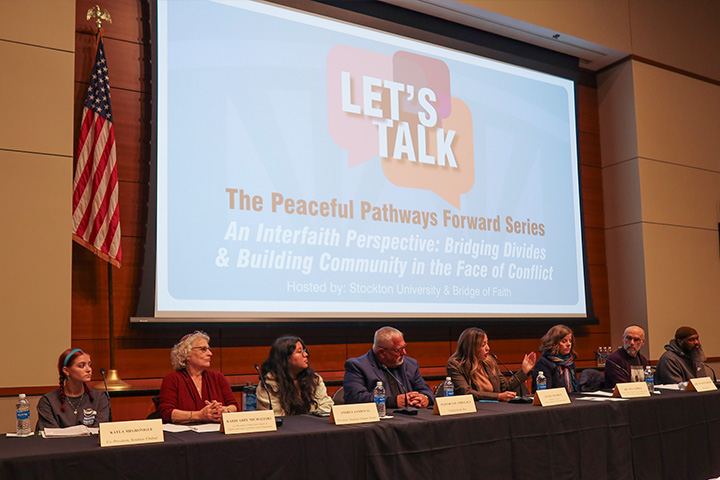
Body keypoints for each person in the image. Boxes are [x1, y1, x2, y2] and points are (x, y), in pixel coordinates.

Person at [343, 326, 434, 408]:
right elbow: (355, 398)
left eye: (404, 347)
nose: (404, 353)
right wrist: (392, 401)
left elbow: (427, 391)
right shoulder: (357, 366)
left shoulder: (411, 364)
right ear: (382, 353)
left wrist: (424, 398)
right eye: (398, 350)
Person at [158, 331, 238, 423]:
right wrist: (199, 415)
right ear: (187, 354)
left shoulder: (218, 377)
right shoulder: (172, 379)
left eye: (209, 349)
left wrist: (221, 410)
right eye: (203, 349)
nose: (210, 353)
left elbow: (234, 406)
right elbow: (166, 413)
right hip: (185, 435)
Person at [446, 327, 537, 401]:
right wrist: (498, 396)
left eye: (487, 343)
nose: (488, 348)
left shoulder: (489, 362)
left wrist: (524, 371)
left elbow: (505, 386)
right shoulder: (455, 364)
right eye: (483, 345)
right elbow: (466, 392)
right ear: (471, 348)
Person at [256, 336, 333, 416]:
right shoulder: (268, 384)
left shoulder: (314, 379)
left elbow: (326, 407)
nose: (306, 354)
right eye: (299, 352)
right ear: (285, 358)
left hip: (314, 426)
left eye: (305, 350)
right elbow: (275, 417)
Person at [36, 348, 110, 430]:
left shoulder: (99, 398)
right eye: (81, 366)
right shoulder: (48, 401)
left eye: (89, 365)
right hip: (61, 443)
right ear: (66, 371)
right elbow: (50, 436)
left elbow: (101, 431)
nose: (89, 369)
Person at [532, 324, 578, 393]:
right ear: (554, 343)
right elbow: (545, 391)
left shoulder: (569, 361)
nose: (569, 344)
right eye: (564, 341)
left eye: (570, 341)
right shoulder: (544, 362)